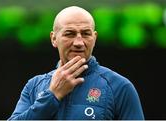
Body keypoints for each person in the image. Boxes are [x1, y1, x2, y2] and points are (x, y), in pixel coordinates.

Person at [8, 6, 144, 120]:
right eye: (69, 34)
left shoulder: (120, 87)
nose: (79, 42)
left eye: (86, 34)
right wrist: (52, 96)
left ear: (94, 38)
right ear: (54, 39)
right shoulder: (33, 86)